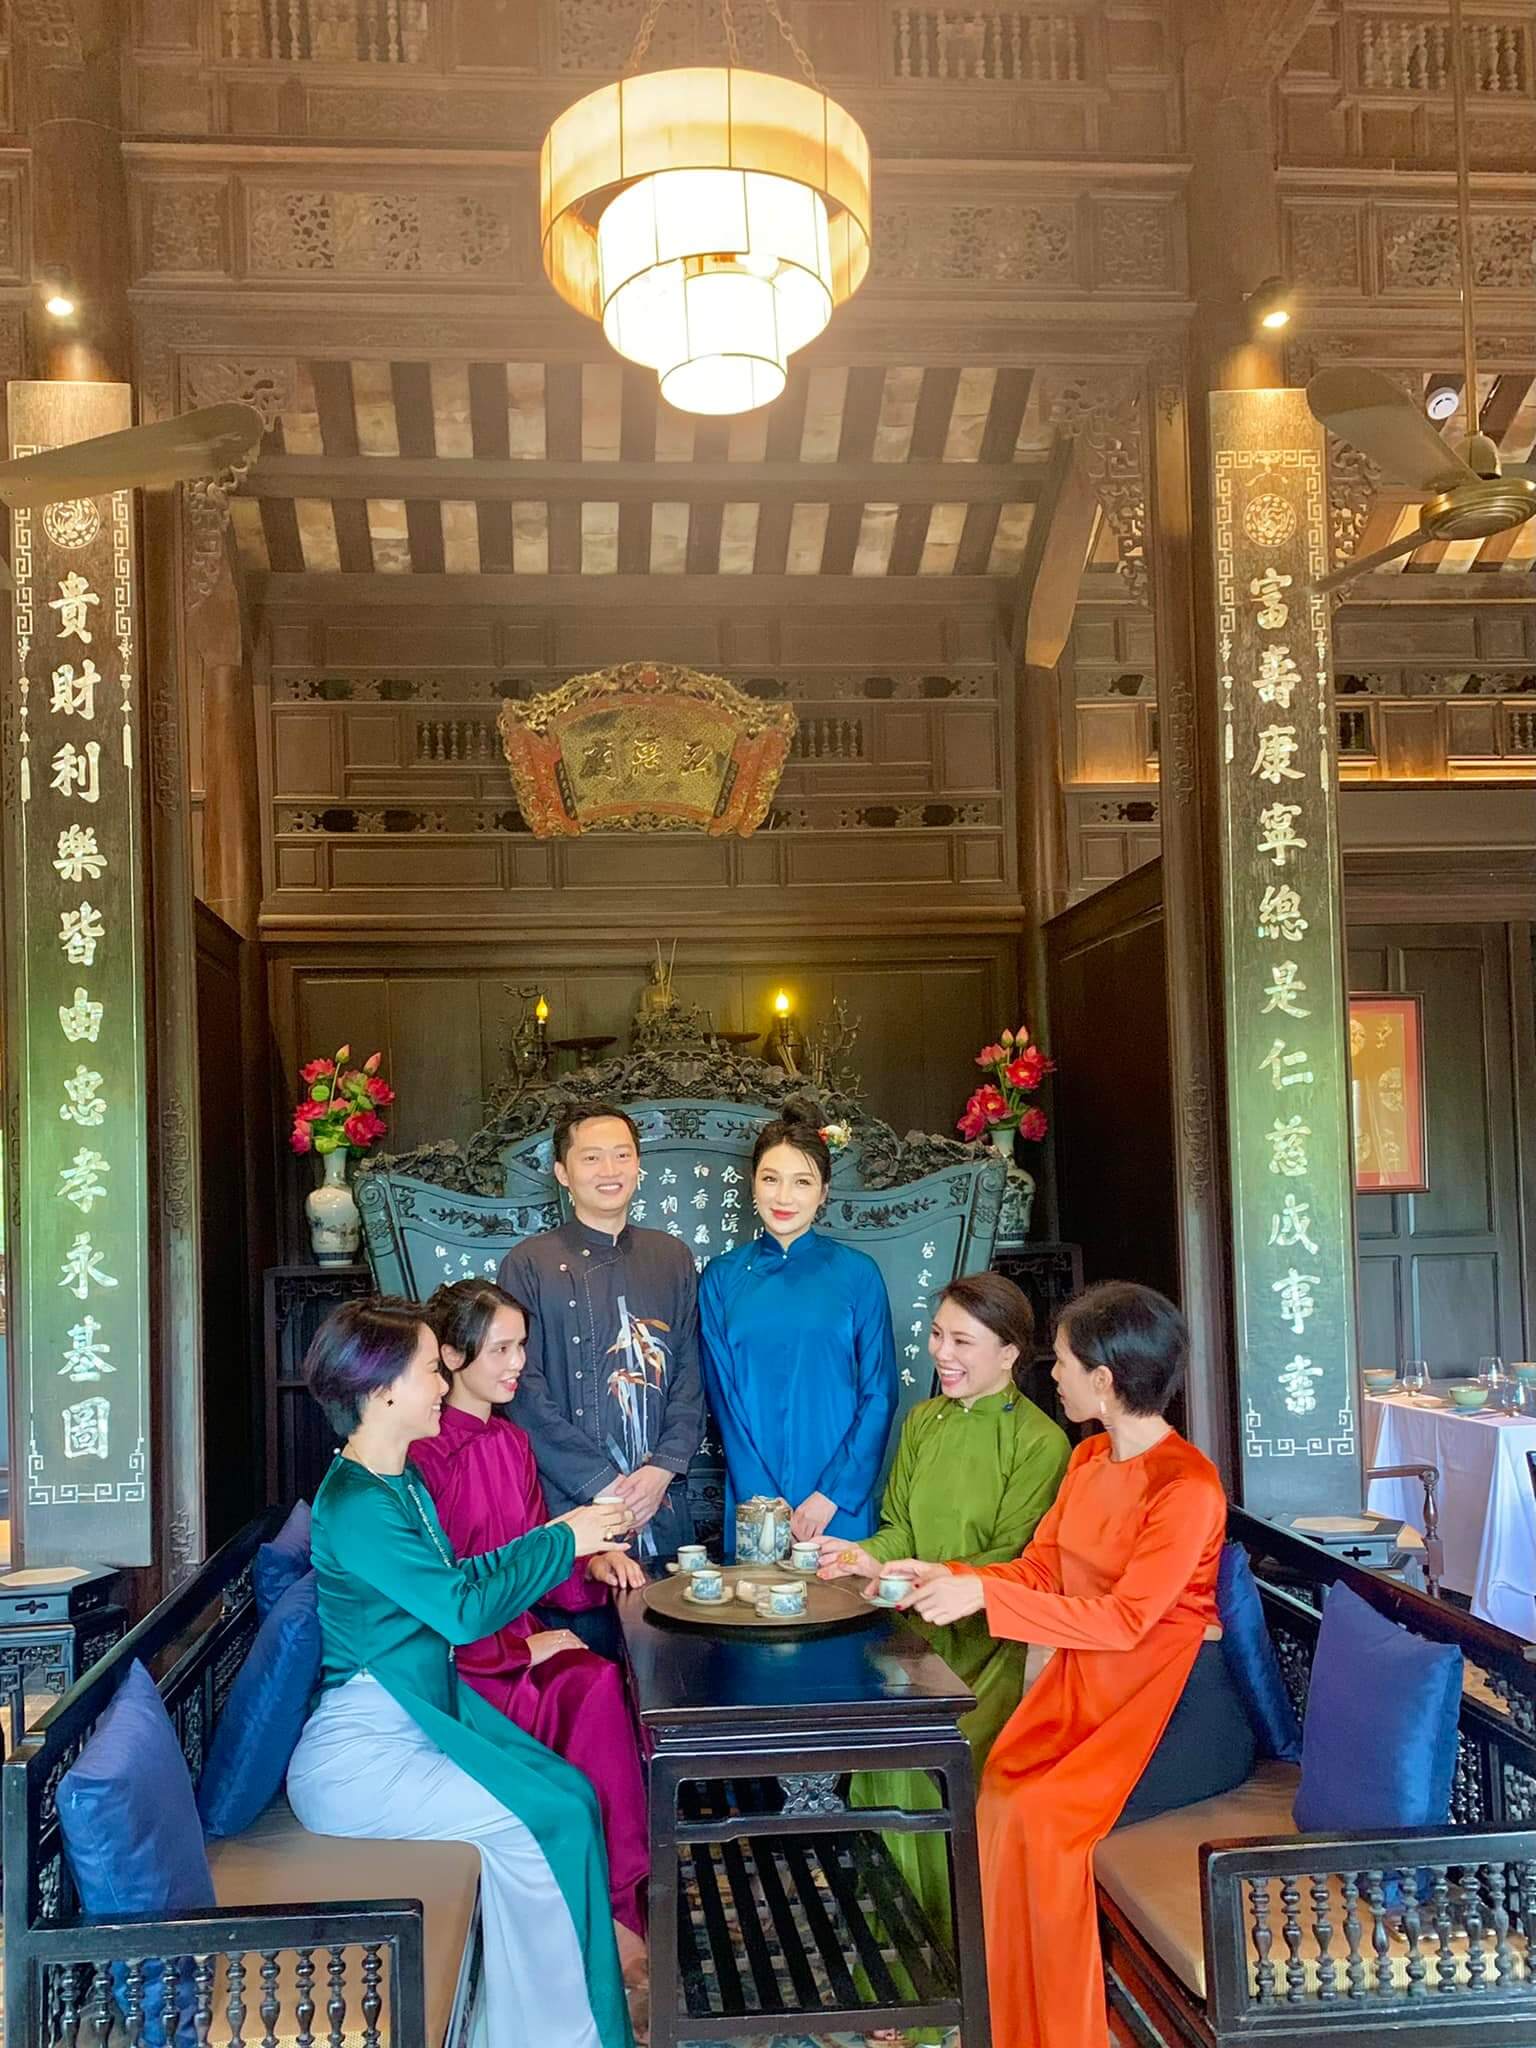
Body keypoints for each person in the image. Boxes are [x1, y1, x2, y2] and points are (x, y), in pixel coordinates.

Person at [888, 1282, 1241, 2048]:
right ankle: (1007, 2019)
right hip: (1091, 1683)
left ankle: (1059, 2030)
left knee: (1038, 1821)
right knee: (1001, 1797)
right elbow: (1043, 1569)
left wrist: (984, 1600)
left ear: (1105, 1381)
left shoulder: (1187, 1487)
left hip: (1166, 1698)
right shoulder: (1088, 1458)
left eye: (1067, 1361)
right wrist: (955, 1579)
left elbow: (1126, 1621)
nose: (1054, 1373)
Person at [287, 1298, 638, 2048]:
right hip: (364, 1751)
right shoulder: (355, 1504)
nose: (443, 1383)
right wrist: (563, 1537)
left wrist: (563, 1543)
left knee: (571, 1796)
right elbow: (462, 1610)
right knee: (549, 1821)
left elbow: (463, 1581)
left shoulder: (397, 1483)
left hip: (416, 1713)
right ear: (381, 1389)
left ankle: (519, 2023)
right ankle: (553, 2033)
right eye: (427, 1370)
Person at [817, 1273, 1070, 1980]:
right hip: (910, 1643)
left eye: (962, 1340)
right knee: (876, 1777)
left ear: (1010, 1354)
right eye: (937, 1336)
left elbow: (1019, 1563)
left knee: (928, 1783)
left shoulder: (1039, 1443)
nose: (942, 1353)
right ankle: (890, 1974)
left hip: (991, 1654)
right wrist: (865, 1554)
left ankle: (946, 1983)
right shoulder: (923, 1423)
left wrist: (932, 1572)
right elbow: (898, 1525)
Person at [410, 1278, 651, 1949]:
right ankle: (605, 1914)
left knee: (603, 1680)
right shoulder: (420, 1458)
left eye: (522, 1347)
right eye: (503, 1350)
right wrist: (521, 1650)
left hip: (513, 1635)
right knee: (593, 1684)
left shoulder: (512, 1442)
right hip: (460, 1659)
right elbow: (439, 1596)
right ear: (453, 1357)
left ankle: (620, 1907)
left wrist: (592, 1561)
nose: (519, 1363)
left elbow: (538, 1548)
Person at [501, 1102, 705, 1563]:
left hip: (662, 1500)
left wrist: (661, 1471)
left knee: (668, 1621)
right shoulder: (528, 1263)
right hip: (568, 1501)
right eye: (591, 1158)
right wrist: (604, 1485)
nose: (609, 1170)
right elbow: (522, 1390)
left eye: (622, 1155)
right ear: (562, 1172)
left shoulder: (671, 1257)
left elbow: (689, 1376)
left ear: (637, 1165)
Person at [699, 1117, 897, 1549]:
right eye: (771, 1179)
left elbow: (879, 1392)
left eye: (802, 1182)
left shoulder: (858, 1274)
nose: (784, 1197)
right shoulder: (721, 1278)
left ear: (823, 1192)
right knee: (756, 1608)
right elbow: (723, 1399)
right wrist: (763, 1500)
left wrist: (832, 1495)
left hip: (836, 1499)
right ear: (753, 1183)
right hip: (754, 1497)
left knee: (841, 1606)